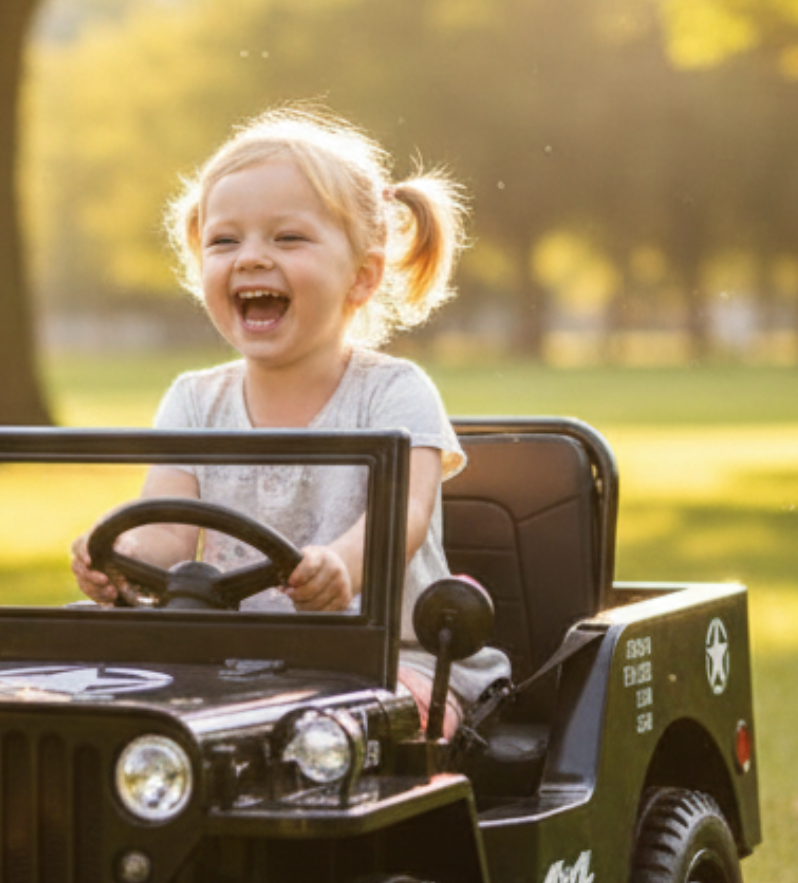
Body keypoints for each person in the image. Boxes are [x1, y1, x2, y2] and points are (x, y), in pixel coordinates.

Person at [69, 108, 509, 737]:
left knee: (345, 733)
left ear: (363, 276)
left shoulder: (393, 393)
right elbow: (164, 532)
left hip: (390, 659)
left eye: (287, 238)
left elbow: (405, 515)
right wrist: (118, 557)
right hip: (232, 661)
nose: (250, 258)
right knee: (104, 709)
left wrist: (344, 565)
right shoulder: (194, 402)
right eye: (225, 241)